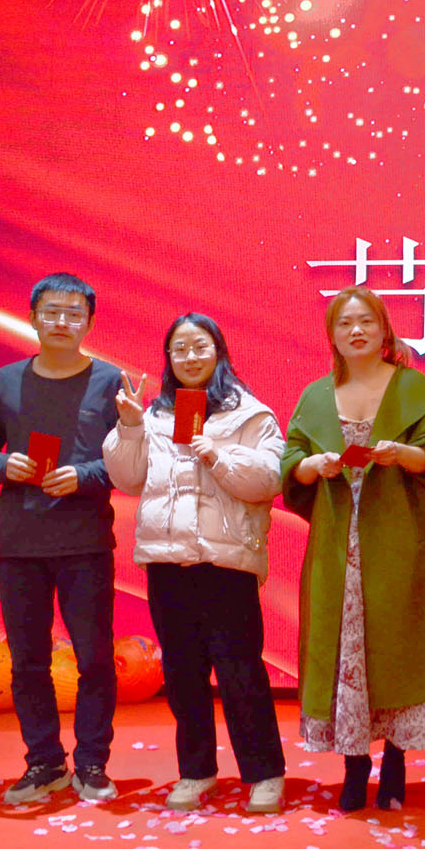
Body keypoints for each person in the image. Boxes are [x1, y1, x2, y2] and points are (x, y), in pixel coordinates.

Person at [281, 287, 425, 812]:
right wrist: (311, 465)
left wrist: (405, 453)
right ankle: (354, 764)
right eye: (345, 323)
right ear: (332, 335)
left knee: (399, 642)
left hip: (399, 537)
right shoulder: (317, 395)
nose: (356, 331)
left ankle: (397, 763)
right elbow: (291, 459)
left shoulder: (410, 385)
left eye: (366, 321)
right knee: (346, 651)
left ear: (384, 330)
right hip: (338, 544)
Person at [102, 313, 287, 813]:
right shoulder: (154, 415)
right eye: (179, 349)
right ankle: (196, 771)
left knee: (240, 672)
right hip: (168, 561)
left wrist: (217, 454)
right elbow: (127, 479)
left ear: (219, 352)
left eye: (199, 346)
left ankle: (265, 774)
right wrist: (130, 426)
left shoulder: (251, 414)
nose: (190, 357)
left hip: (226, 562)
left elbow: (269, 479)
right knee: (183, 675)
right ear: (168, 358)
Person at [0, 273, 124, 804]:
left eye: (74, 313)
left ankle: (92, 762)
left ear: (89, 323)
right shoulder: (3, 383)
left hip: (85, 542)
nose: (62, 322)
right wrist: (3, 465)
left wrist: (85, 475)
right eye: (52, 312)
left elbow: (128, 459)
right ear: (33, 317)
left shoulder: (110, 381)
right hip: (20, 545)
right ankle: (44, 762)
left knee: (94, 659)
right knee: (28, 661)